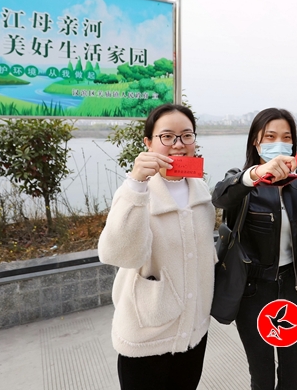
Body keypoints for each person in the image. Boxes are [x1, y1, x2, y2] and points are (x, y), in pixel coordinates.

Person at [98, 104, 215, 390]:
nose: (178, 144)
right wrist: (136, 183)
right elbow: (117, 254)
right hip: (147, 333)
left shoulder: (200, 191)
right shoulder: (136, 192)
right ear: (148, 143)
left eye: (186, 135)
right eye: (167, 136)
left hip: (193, 332)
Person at [212, 108, 297, 390]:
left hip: (292, 289)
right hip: (253, 291)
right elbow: (219, 196)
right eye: (270, 136)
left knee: (292, 373)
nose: (279, 143)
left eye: (286, 137)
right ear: (256, 142)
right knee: (262, 375)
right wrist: (257, 174)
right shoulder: (242, 180)